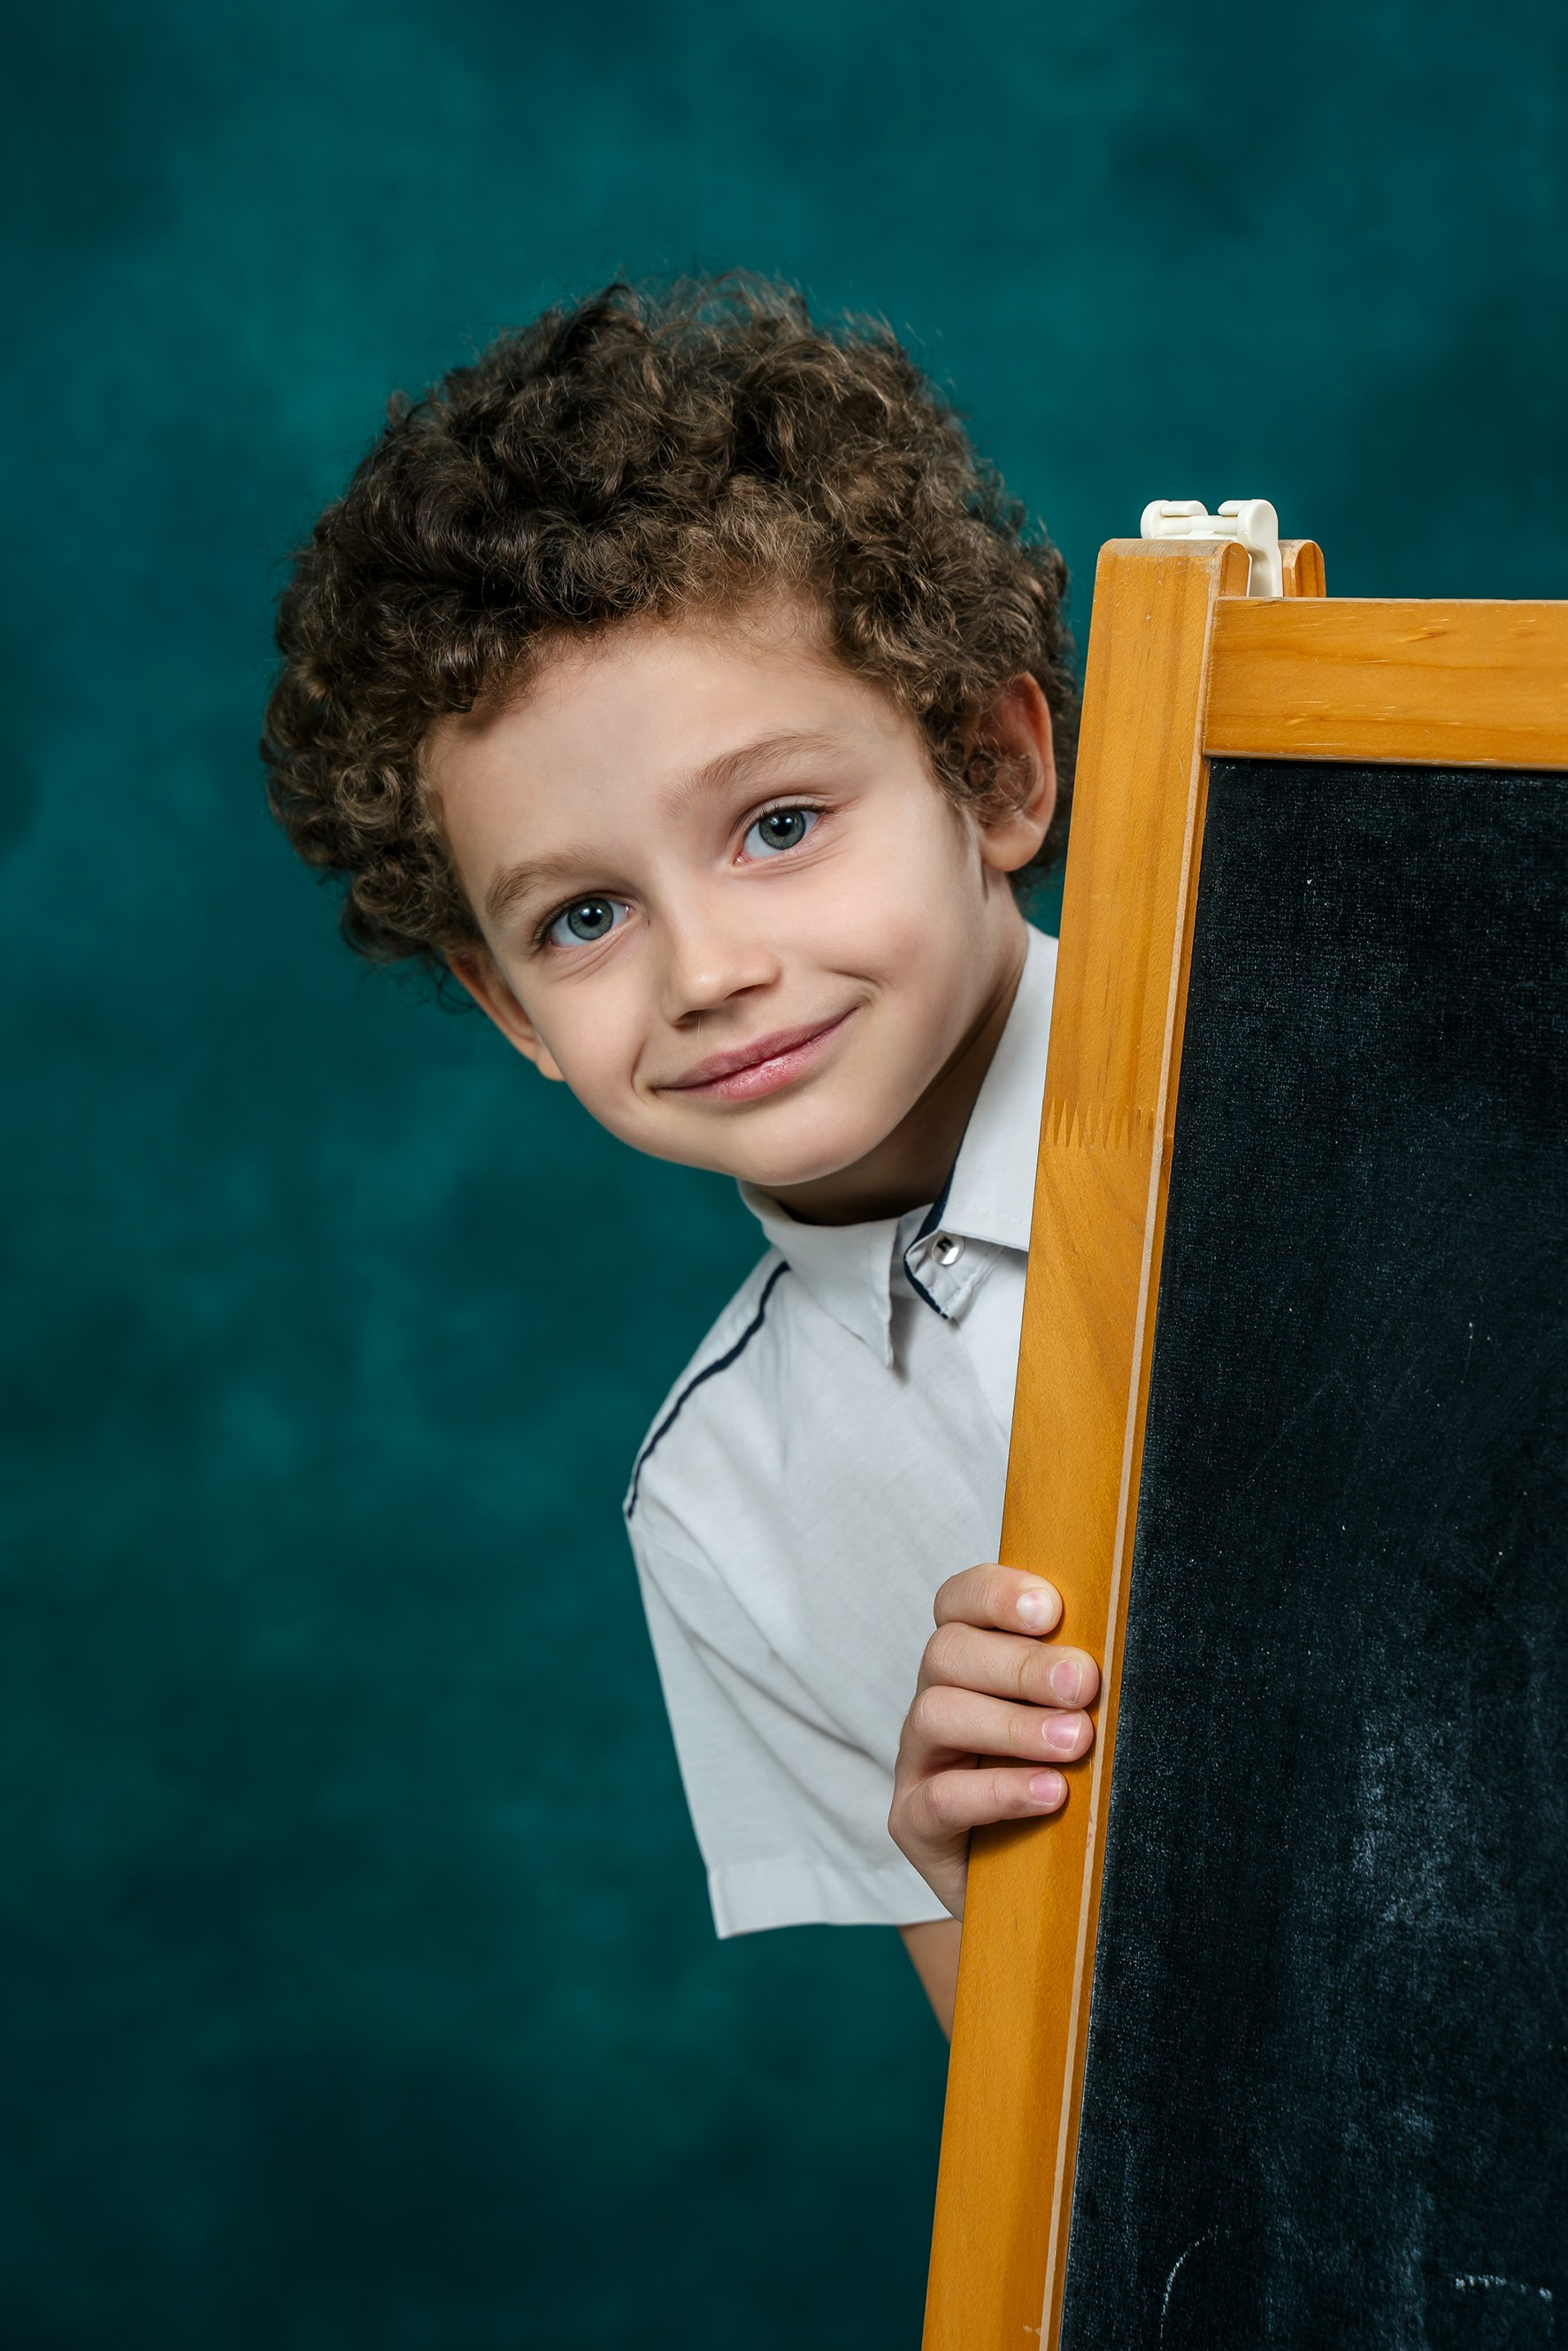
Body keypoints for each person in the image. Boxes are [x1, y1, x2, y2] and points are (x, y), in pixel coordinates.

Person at [264, 277, 1101, 2035]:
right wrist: (974, 1874)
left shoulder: (1362, 1075)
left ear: (994, 770)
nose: (707, 971)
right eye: (583, 917)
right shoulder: (726, 1503)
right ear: (508, 1006)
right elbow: (1037, 2112)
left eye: (778, 824)